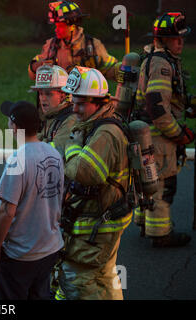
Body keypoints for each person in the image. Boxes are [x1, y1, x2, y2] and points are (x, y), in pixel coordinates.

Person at [58, 66, 132, 300]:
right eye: (73, 101)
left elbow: (84, 172)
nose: (75, 109)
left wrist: (72, 148)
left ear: (100, 102)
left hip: (96, 227)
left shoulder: (106, 133)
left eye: (81, 103)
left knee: (78, 280)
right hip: (101, 222)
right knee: (104, 276)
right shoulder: (97, 125)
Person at [133, 12, 194, 247]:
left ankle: (144, 222)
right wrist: (178, 134)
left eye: (182, 38)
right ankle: (160, 235)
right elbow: (157, 107)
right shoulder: (161, 64)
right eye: (176, 38)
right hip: (158, 139)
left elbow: (169, 99)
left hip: (148, 136)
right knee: (162, 187)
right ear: (162, 40)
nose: (181, 42)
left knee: (147, 183)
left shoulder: (157, 59)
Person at [0, 100, 64, 300]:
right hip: (50, 247)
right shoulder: (54, 154)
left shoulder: (18, 160)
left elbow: (7, 210)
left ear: (14, 127)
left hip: (21, 254)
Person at [28, 1, 119, 81]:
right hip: (57, 97)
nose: (56, 30)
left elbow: (110, 70)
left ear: (72, 26)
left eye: (60, 27)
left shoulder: (93, 45)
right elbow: (33, 73)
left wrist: (121, 69)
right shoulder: (51, 46)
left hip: (85, 98)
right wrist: (35, 66)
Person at [31, 64, 77, 156]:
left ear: (63, 95)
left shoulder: (70, 120)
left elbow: (53, 153)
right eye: (40, 93)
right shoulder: (52, 117)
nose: (42, 98)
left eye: (48, 94)